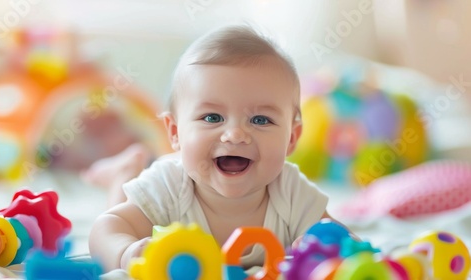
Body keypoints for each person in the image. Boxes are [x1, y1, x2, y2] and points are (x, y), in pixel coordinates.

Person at [88, 24, 351, 272]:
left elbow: (343, 241)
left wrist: (332, 252)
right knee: (124, 208)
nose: (235, 135)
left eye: (260, 120)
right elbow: (107, 228)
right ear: (175, 132)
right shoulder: (168, 185)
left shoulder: (292, 193)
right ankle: (121, 175)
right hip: (157, 196)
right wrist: (126, 252)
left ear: (292, 138)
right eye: (213, 117)